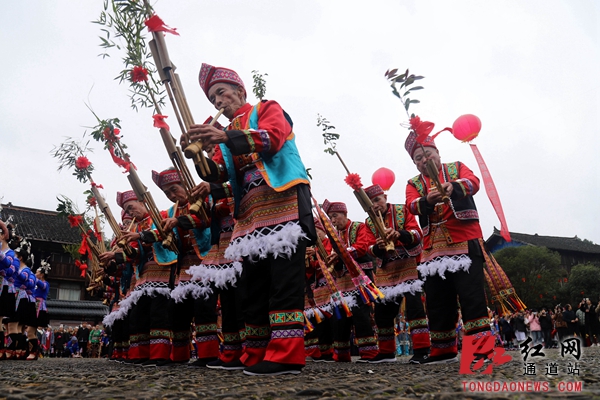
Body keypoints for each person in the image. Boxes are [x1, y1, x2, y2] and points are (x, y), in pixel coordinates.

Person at [186, 63, 316, 376]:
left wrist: (223, 136)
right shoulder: (225, 135)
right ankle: (256, 353)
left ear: (240, 91)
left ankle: (286, 355)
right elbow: (219, 176)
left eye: (221, 93)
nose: (218, 101)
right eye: (213, 98)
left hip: (282, 201)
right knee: (252, 285)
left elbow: (271, 139)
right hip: (251, 215)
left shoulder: (266, 108)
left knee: (284, 280)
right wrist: (199, 156)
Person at [404, 128, 491, 364]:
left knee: (471, 296)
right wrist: (426, 201)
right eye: (418, 158)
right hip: (433, 250)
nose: (424, 160)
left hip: (464, 240)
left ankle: (482, 349)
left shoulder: (456, 168)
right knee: (437, 300)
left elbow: (473, 182)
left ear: (437, 152)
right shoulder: (413, 183)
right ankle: (443, 350)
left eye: (427, 154)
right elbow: (411, 205)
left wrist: (453, 187)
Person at [151, 168, 216, 366]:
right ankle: (179, 355)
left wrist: (179, 221)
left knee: (203, 307)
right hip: (184, 266)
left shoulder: (204, 197)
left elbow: (206, 220)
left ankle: (208, 355)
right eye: (167, 193)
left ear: (185, 185)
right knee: (179, 310)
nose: (172, 195)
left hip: (205, 260)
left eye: (174, 189)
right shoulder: (170, 211)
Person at [363, 184, 431, 364]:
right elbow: (368, 248)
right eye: (371, 203)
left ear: (384, 197)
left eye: (377, 200)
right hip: (387, 270)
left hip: (408, 264)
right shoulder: (368, 222)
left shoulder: (402, 210)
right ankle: (386, 352)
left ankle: (422, 350)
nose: (375, 205)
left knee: (415, 308)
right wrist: (378, 246)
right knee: (382, 312)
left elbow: (417, 234)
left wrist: (398, 234)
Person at [322, 200, 378, 362]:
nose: (332, 221)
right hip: (342, 282)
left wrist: (340, 253)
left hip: (360, 280)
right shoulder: (335, 236)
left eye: (335, 216)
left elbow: (362, 246)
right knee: (341, 318)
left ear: (345, 214)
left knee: (361, 315)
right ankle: (341, 354)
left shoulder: (358, 227)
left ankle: (369, 353)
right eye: (330, 218)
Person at [0, 220, 19, 360]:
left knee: (3, 321)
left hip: (5, 288)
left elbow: (12, 272)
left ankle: (7, 349)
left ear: (2, 236)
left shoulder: (11, 254)